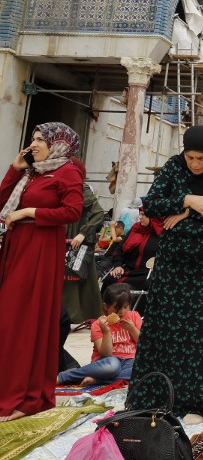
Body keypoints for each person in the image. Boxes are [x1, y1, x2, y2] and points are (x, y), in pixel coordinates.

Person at [128, 125, 203, 420]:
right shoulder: (173, 167)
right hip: (173, 267)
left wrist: (188, 210)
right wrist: (187, 200)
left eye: (202, 159)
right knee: (166, 332)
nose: (195, 164)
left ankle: (202, 403)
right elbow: (152, 204)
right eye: (190, 157)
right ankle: (160, 397)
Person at [0, 122, 85, 422]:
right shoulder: (32, 173)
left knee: (22, 321)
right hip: (16, 248)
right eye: (32, 138)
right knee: (10, 321)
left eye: (40, 139)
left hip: (39, 250)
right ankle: (9, 390)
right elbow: (1, 203)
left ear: (58, 144)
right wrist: (14, 169)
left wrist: (28, 212)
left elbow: (73, 211)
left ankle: (26, 397)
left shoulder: (68, 172)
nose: (33, 144)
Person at [58, 283, 141, 386]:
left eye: (125, 307)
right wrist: (106, 331)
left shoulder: (134, 317)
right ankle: (65, 376)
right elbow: (105, 354)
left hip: (130, 360)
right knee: (113, 367)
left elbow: (143, 344)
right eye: (117, 308)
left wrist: (132, 329)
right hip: (108, 361)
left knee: (140, 369)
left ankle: (98, 381)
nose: (122, 312)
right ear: (106, 306)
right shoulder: (98, 324)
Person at [63, 181, 106, 323]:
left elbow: (99, 212)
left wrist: (83, 233)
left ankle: (70, 316)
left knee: (73, 274)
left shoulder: (80, 187)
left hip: (77, 237)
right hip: (62, 234)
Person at [103, 207, 163, 295]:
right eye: (140, 214)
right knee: (110, 279)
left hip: (145, 275)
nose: (140, 217)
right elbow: (120, 250)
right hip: (128, 271)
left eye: (144, 215)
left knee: (147, 286)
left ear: (153, 217)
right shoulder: (135, 229)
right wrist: (118, 266)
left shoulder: (161, 234)